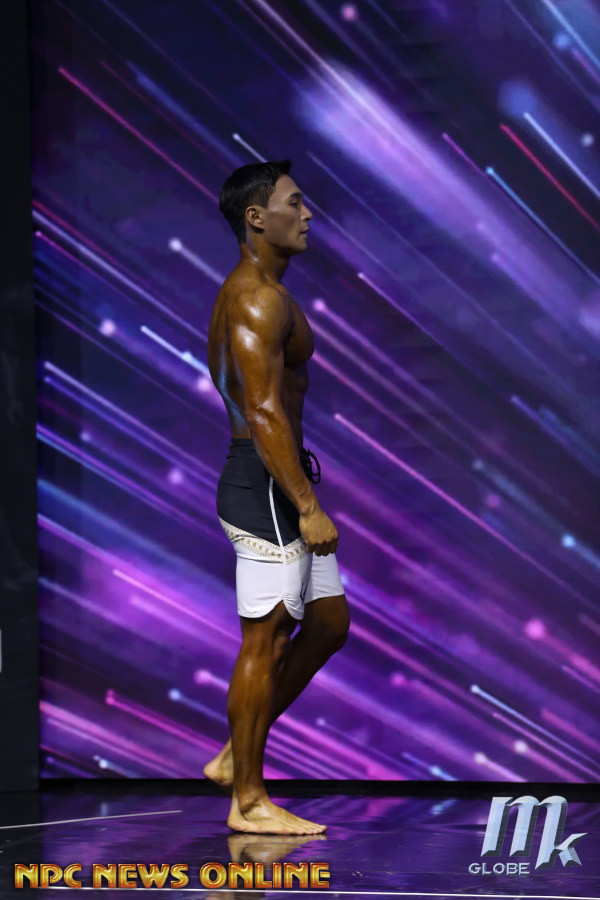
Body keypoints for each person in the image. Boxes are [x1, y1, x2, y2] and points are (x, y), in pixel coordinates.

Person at [204, 159, 350, 835]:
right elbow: (263, 411)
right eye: (295, 203)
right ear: (257, 217)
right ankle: (249, 801)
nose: (307, 214)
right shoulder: (255, 299)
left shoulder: (269, 292)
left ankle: (236, 755)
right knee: (262, 641)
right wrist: (307, 506)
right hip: (265, 487)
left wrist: (304, 496)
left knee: (328, 625)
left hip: (282, 481)